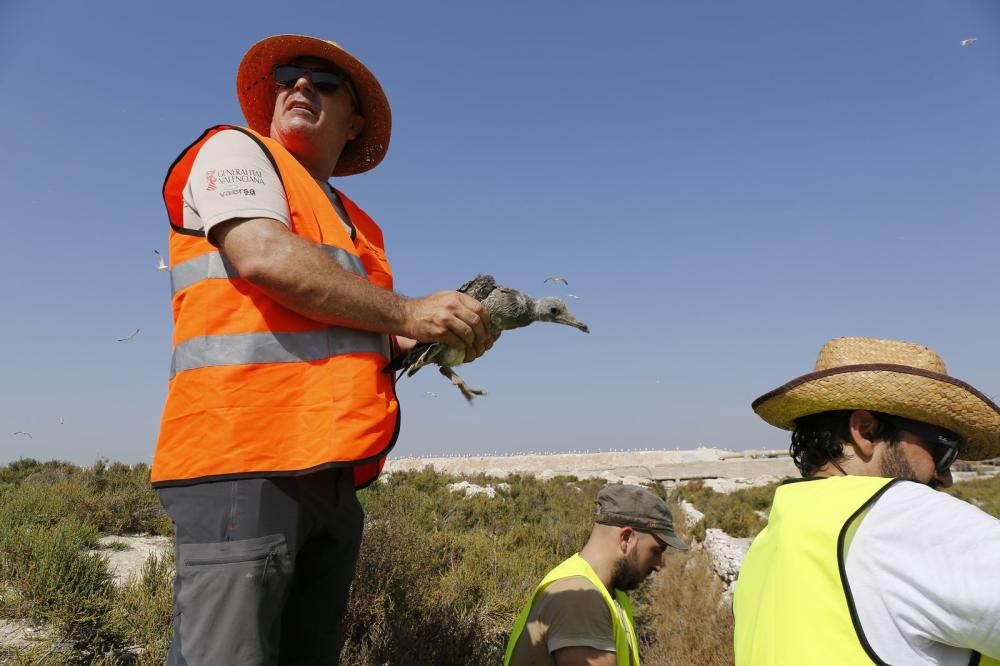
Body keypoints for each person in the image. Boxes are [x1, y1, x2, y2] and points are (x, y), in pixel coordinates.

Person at [151, 35, 494, 665]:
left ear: (353, 122)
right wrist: (411, 310)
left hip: (333, 475)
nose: (300, 86)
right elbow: (260, 254)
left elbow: (364, 338)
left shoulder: (358, 224)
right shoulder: (235, 149)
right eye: (289, 75)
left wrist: (439, 335)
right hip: (243, 458)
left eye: (323, 82)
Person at [734, 336, 1000, 665]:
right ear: (865, 430)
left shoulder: (771, 542)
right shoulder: (900, 518)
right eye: (943, 450)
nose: (946, 477)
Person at [504, 484, 690, 666]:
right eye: (656, 551)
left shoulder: (608, 592)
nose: (659, 565)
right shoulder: (580, 599)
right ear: (626, 538)